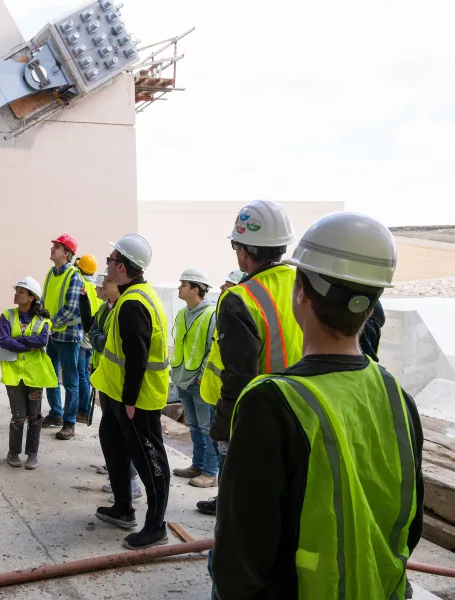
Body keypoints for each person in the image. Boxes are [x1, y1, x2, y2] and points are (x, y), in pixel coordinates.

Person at [213, 212, 424, 599]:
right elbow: (409, 524)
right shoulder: (398, 399)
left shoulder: (269, 405)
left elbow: (238, 560)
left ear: (301, 293)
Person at [198, 200, 304, 516]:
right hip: (304, 411)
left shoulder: (240, 298)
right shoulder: (305, 283)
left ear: (243, 251)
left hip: (257, 419)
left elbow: (238, 377)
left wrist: (223, 430)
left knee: (240, 514)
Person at [91, 233, 171, 550]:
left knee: (149, 459)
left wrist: (129, 401)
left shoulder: (133, 304)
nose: (107, 264)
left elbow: (137, 358)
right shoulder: (130, 296)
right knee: (112, 444)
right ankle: (123, 508)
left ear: (122, 267)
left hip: (136, 399)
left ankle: (156, 525)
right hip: (115, 393)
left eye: (111, 260)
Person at [83, 274, 143, 500]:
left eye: (107, 281)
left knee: (123, 434)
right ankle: (119, 475)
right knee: (112, 435)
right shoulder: (105, 309)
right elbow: (92, 330)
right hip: (105, 376)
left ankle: (132, 482)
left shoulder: (124, 309)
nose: (102, 285)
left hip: (118, 381)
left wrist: (98, 339)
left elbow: (104, 340)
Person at [0, 277, 56, 470]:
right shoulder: (7, 315)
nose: (17, 293)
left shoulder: (43, 320)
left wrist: (19, 340)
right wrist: (27, 343)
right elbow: (4, 341)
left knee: (34, 416)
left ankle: (32, 454)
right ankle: (13, 452)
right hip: (14, 374)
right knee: (18, 415)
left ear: (31, 297)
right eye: (18, 290)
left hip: (35, 374)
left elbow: (42, 340)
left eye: (21, 291)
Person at [170, 267, 218, 488]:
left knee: (207, 428)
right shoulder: (182, 313)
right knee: (195, 426)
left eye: (183, 284)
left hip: (198, 382)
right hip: (182, 378)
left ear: (195, 289)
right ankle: (197, 465)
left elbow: (213, 349)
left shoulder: (211, 314)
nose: (179, 288)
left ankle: (210, 471)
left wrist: (201, 377)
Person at [42, 234, 84, 440]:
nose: (52, 249)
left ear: (66, 253)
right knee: (49, 376)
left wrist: (49, 324)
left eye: (57, 247)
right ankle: (56, 414)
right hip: (51, 335)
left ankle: (69, 423)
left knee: (70, 381)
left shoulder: (74, 276)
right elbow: (45, 301)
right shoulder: (51, 273)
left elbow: (72, 309)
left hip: (68, 337)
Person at [75, 254, 101, 422]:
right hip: (93, 332)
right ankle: (84, 410)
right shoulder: (96, 285)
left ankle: (84, 411)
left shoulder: (82, 284)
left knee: (81, 374)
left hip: (83, 332)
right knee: (85, 373)